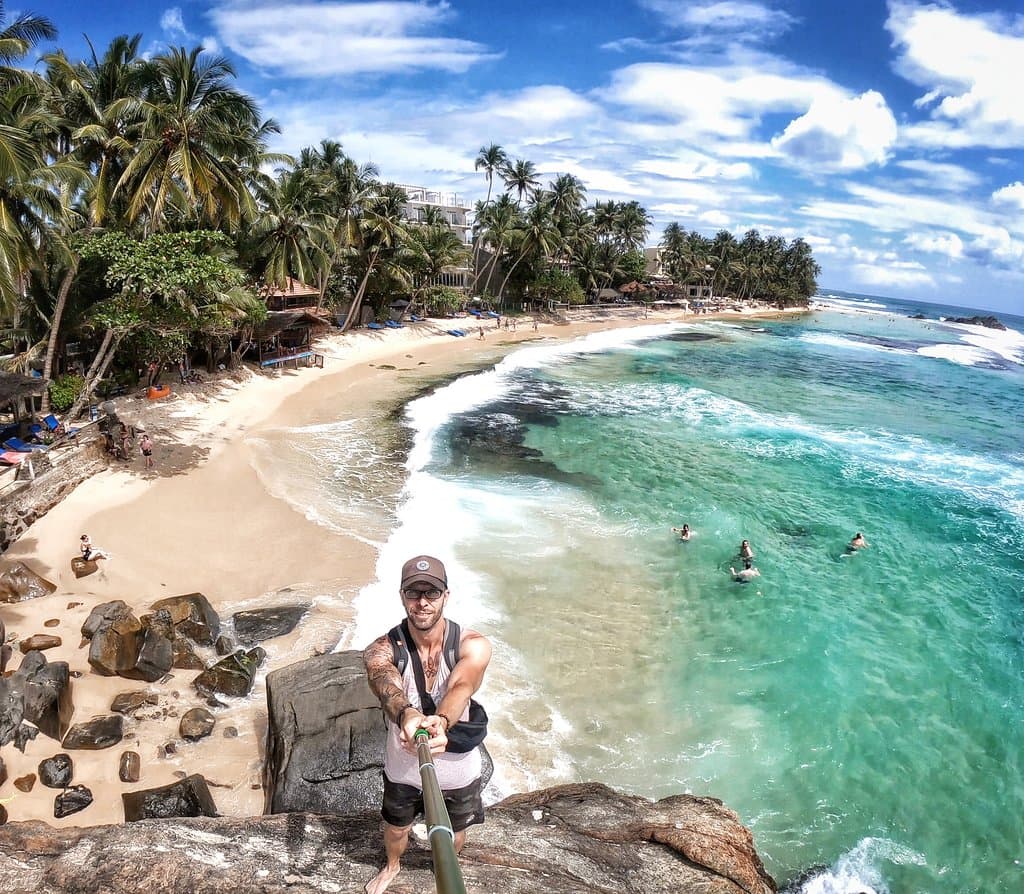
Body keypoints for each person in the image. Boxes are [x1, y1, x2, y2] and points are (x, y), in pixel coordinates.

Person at [363, 555, 491, 894]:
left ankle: (443, 863)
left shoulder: (473, 644)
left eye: (431, 593)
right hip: (405, 763)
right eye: (413, 592)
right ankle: (392, 865)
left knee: (456, 830)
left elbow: (463, 685)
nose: (422, 602)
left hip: (458, 768)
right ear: (402, 595)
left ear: (446, 595)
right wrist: (407, 714)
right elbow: (385, 683)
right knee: (394, 828)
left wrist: (442, 721)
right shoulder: (381, 648)